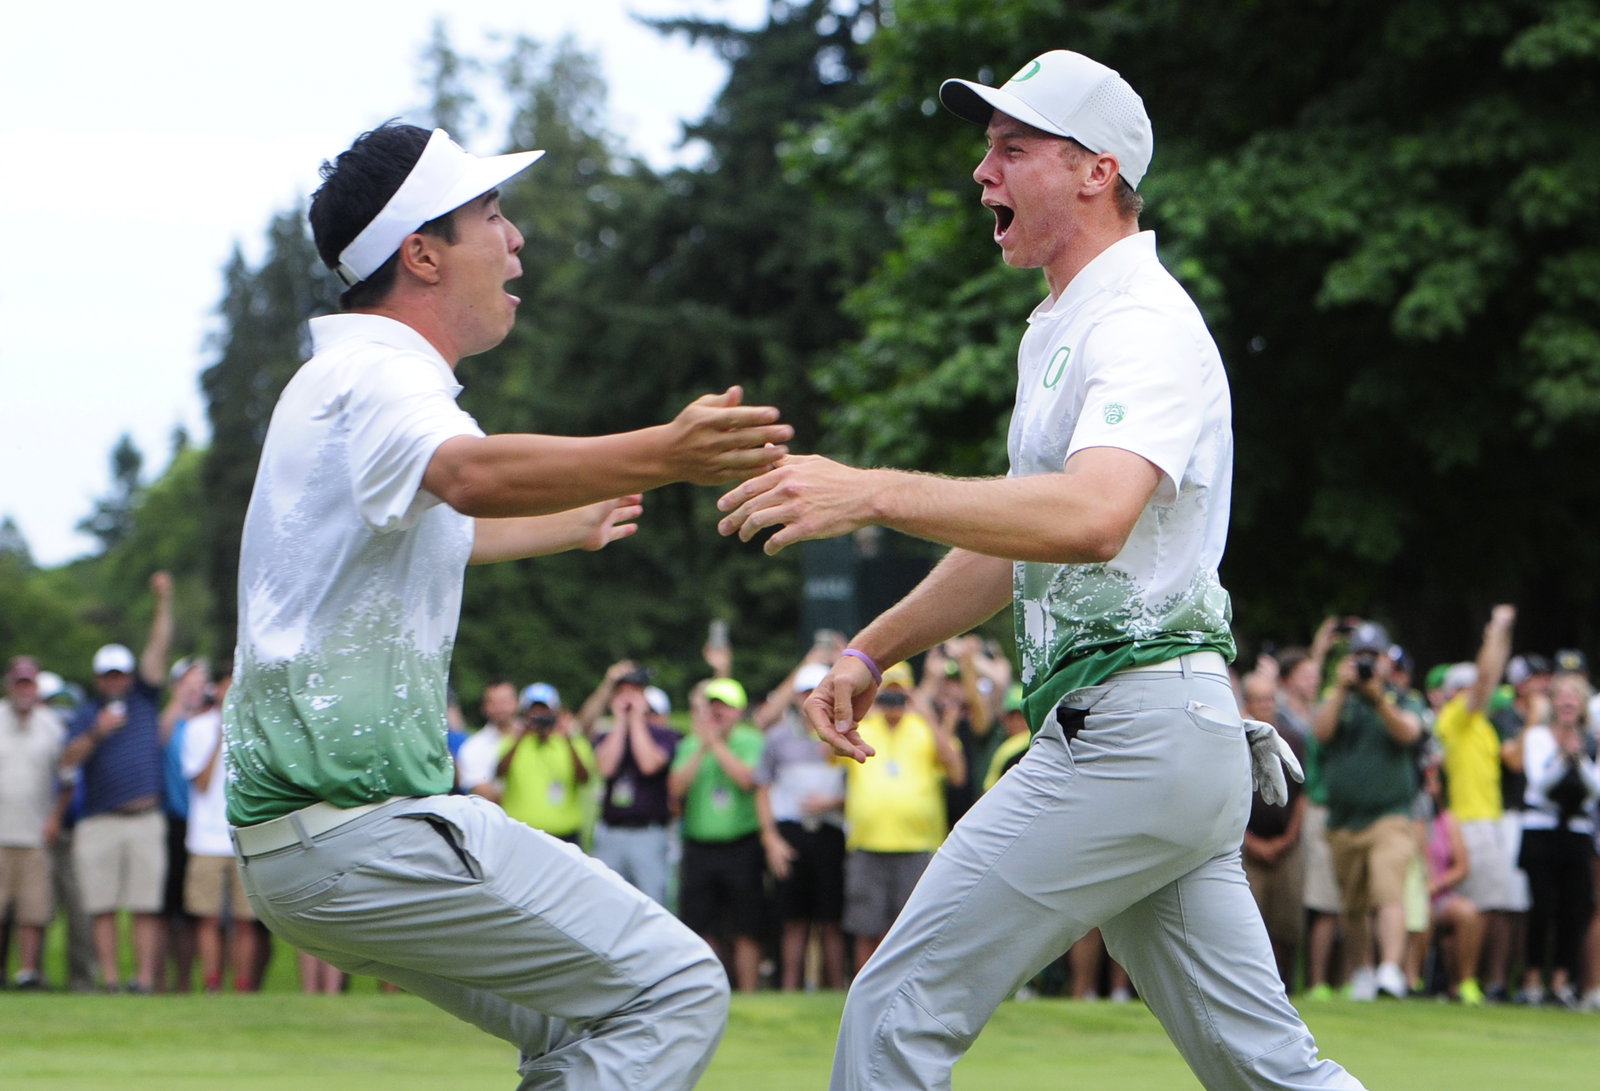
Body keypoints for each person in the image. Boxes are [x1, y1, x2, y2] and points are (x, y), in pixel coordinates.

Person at [717, 50, 1361, 1089]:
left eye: (1012, 148)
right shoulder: (1067, 324)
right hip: (1166, 743)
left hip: (1130, 741)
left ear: (1096, 171)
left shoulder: (1138, 322)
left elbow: (1092, 515)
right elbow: (1028, 539)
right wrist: (875, 648)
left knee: (895, 1007)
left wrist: (872, 490)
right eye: (987, 148)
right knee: (1269, 1071)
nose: (983, 173)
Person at [224, 122, 790, 1087]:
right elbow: (469, 474)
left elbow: (432, 528)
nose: (515, 236)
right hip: (365, 829)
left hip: (312, 843)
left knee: (592, 1025)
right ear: (423, 254)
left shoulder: (337, 382)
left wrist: (564, 525)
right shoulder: (383, 376)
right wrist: (667, 448)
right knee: (678, 986)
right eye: (492, 213)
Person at [59, 571, 175, 993]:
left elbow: (158, 648)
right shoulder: (87, 714)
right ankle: (110, 981)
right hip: (100, 819)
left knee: (146, 906)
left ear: (129, 676)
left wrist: (164, 600)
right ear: (98, 678)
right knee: (102, 906)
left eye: (120, 674)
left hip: (145, 817)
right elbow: (66, 760)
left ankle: (142, 981)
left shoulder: (144, 699)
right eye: (108, 675)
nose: (115, 680)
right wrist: (97, 733)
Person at [1315, 621, 1425, 1001]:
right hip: (1344, 819)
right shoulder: (1339, 699)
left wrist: (1377, 697)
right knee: (1354, 903)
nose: (1366, 663)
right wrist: (1342, 691)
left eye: (1373, 657)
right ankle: (1362, 970)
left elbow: (1409, 733)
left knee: (1387, 890)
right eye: (1359, 656)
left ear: (1385, 660)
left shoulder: (1400, 697)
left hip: (1389, 815)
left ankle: (1390, 970)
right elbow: (1321, 734)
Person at [1430, 606, 1516, 1002]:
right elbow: (1486, 679)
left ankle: (1470, 981)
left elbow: (1490, 678)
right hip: (1469, 822)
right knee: (1477, 908)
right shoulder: (1454, 717)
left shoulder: (1481, 724)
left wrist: (1502, 636)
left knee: (1490, 908)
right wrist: (1494, 630)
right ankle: (1463, 982)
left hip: (1488, 822)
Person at [668, 677, 766, 992]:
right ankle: (707, 991)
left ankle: (748, 992)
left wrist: (716, 745)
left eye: (723, 708)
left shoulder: (751, 741)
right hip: (699, 847)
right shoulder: (690, 744)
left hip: (741, 845)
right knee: (698, 925)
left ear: (738, 712)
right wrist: (701, 747)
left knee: (746, 927)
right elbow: (675, 789)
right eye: (712, 708)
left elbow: (746, 780)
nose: (716, 714)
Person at [755, 661, 848, 991]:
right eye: (806, 692)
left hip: (831, 832)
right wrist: (771, 839)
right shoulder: (778, 738)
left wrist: (833, 803)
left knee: (831, 919)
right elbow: (762, 787)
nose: (811, 698)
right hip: (791, 832)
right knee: (793, 920)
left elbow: (858, 788)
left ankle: (836, 990)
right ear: (797, 698)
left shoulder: (846, 732)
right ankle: (790, 990)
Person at [1516, 673, 1599, 1008]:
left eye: (1573, 696)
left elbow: (1595, 791)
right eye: (1561, 695)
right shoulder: (1538, 736)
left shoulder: (1591, 740)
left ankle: (1562, 981)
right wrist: (1563, 756)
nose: (1567, 701)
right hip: (1541, 826)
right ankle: (1533, 980)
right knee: (1541, 906)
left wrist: (1577, 757)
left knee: (1573, 909)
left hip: (1577, 830)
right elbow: (1540, 784)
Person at [179, 664, 259, 993]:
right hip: (206, 840)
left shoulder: (257, 731)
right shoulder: (197, 729)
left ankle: (242, 985)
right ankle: (212, 982)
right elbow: (200, 782)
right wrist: (220, 739)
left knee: (246, 921)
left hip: (244, 838)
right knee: (207, 917)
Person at [0, 656, 69, 989]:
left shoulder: (51, 724)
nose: (23, 690)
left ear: (36, 687)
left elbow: (67, 778)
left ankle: (27, 973)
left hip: (36, 830)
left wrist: (55, 818)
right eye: (18, 683)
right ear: (9, 686)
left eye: (29, 684)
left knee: (33, 911)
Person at [1241, 670, 1308, 993]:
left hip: (1286, 846)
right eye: (1260, 699)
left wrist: (1288, 838)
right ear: (1246, 702)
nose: (1267, 705)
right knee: (1250, 921)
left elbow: (1302, 793)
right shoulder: (1232, 741)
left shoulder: (1293, 739)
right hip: (1246, 845)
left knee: (1287, 922)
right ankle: (1255, 988)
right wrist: (1248, 841)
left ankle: (1286, 988)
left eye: (1271, 699)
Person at [588, 666, 679, 905]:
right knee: (605, 902)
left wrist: (637, 719)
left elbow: (649, 764)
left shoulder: (663, 735)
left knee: (651, 903)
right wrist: (620, 721)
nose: (628, 698)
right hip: (612, 831)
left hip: (647, 832)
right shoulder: (608, 735)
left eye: (634, 692)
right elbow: (606, 768)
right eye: (623, 692)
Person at [1415, 759, 1485, 1003]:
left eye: (1435, 782)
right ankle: (1414, 979)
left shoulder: (1449, 820)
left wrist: (1437, 883)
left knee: (1468, 913)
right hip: (1414, 893)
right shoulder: (1412, 821)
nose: (1431, 788)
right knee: (1420, 912)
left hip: (1440, 893)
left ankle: (1465, 982)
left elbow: (1462, 866)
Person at [496, 684, 594, 844]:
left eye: (544, 711)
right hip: (522, 834)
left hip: (565, 835)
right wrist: (520, 737)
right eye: (533, 712)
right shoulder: (512, 741)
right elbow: (499, 773)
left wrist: (567, 739)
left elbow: (584, 779)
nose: (539, 716)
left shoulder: (573, 742)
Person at [455, 680, 518, 801]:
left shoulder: (533, 738)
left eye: (504, 701)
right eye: (493, 703)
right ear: (484, 707)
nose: (500, 708)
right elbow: (483, 794)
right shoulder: (473, 747)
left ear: (516, 702)